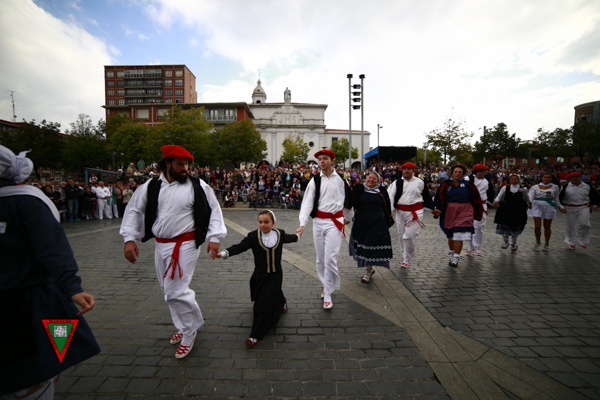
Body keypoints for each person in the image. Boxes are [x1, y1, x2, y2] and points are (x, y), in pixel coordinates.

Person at [0, 145, 100, 399]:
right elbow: (53, 249)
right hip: (25, 301)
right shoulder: (28, 201)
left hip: (30, 300)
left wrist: (72, 287)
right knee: (27, 370)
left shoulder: (26, 202)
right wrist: (72, 287)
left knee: (34, 368)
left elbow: (52, 249)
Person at [120, 145, 226, 359]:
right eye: (180, 164)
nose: (185, 168)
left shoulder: (198, 185)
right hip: (161, 245)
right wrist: (130, 239)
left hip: (186, 244)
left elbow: (214, 209)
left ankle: (189, 330)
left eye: (187, 164)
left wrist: (214, 237)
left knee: (176, 290)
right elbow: (134, 210)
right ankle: (184, 325)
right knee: (167, 290)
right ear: (167, 164)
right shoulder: (150, 186)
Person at [216, 210, 298, 347]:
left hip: (276, 274)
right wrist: (225, 253)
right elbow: (240, 247)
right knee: (267, 293)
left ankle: (256, 334)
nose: (263, 225)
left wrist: (298, 235)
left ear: (273, 223)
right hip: (260, 274)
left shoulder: (279, 234)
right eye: (260, 222)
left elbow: (291, 238)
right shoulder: (253, 236)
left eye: (266, 222)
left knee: (262, 304)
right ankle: (282, 301)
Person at [297, 149, 353, 309]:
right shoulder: (315, 180)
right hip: (319, 222)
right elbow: (307, 202)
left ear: (332, 161)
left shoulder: (341, 179)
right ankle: (326, 285)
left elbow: (348, 200)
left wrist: (348, 217)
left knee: (330, 258)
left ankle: (328, 292)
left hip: (335, 222)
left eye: (325, 158)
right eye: (320, 159)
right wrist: (302, 223)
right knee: (321, 258)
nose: (322, 161)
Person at [433, 164, 484, 268]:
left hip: (465, 211)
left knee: (459, 234)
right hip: (449, 211)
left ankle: (456, 257)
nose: (457, 174)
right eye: (455, 172)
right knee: (451, 235)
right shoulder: (445, 184)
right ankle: (452, 252)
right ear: (452, 173)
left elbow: (476, 199)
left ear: (463, 174)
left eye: (460, 172)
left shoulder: (469, 185)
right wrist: (437, 209)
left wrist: (478, 212)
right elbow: (438, 197)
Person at [388, 162, 434, 268]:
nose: (406, 171)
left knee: (409, 236)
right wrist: (390, 210)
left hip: (415, 212)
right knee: (401, 236)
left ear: (413, 170)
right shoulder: (397, 182)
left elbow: (426, 197)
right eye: (404, 169)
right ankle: (405, 255)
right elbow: (390, 196)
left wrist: (433, 209)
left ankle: (407, 257)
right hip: (400, 213)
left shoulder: (419, 182)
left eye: (409, 169)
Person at [350, 172, 393, 283]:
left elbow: (387, 204)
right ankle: (369, 269)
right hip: (362, 223)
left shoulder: (382, 190)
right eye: (369, 177)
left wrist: (388, 217)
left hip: (378, 224)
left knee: (371, 246)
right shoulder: (360, 188)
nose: (371, 180)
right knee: (365, 246)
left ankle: (368, 271)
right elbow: (351, 202)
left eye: (374, 178)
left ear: (378, 181)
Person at [559, 172, 600, 249]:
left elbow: (594, 195)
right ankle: (571, 241)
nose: (575, 178)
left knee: (584, 224)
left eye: (577, 176)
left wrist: (593, 204)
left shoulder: (587, 186)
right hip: (569, 207)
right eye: (573, 177)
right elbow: (559, 198)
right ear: (570, 178)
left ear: (580, 177)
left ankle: (581, 240)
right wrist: (561, 207)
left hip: (583, 207)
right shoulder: (565, 187)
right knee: (570, 225)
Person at [492, 174, 531, 252]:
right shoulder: (505, 188)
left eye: (515, 179)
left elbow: (527, 198)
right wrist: (497, 202)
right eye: (512, 179)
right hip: (506, 210)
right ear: (509, 180)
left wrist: (529, 203)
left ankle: (514, 244)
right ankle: (505, 242)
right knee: (505, 227)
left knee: (514, 228)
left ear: (518, 180)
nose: (513, 181)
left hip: (517, 210)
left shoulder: (523, 189)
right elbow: (499, 197)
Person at [528, 172, 566, 250]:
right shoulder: (535, 187)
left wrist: (560, 207)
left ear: (551, 179)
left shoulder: (555, 187)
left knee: (547, 226)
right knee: (537, 226)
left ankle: (547, 243)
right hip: (537, 205)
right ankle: (538, 241)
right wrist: (529, 203)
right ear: (542, 178)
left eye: (548, 177)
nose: (546, 179)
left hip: (549, 206)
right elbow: (530, 197)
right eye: (545, 177)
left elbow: (556, 199)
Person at [467, 164, 495, 255]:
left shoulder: (486, 181)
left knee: (479, 226)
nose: (485, 173)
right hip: (470, 205)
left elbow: (490, 193)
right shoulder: (468, 179)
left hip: (481, 205)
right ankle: (470, 245)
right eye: (484, 172)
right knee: (469, 226)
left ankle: (478, 246)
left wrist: (492, 202)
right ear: (478, 172)